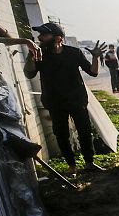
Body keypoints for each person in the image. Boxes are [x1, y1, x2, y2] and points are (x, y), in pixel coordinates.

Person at [22, 22, 106, 174]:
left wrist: (95, 58)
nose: (40, 37)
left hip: (77, 100)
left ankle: (89, 163)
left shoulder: (74, 53)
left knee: (85, 132)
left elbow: (93, 72)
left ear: (58, 38)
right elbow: (29, 73)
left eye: (44, 35)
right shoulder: (41, 54)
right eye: (39, 34)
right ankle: (72, 166)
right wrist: (31, 56)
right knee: (61, 135)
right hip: (54, 102)